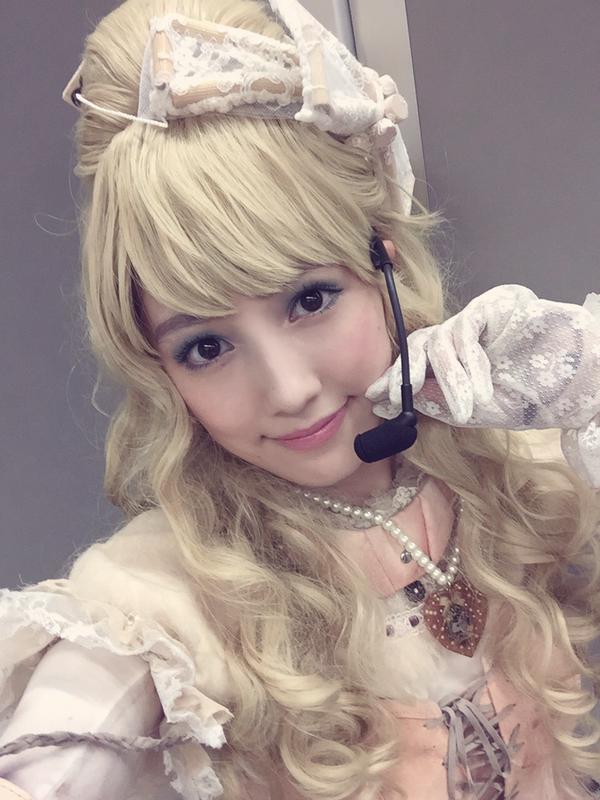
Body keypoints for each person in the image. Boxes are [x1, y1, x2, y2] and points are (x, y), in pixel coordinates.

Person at [0, 0, 599, 798]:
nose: (289, 389)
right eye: (206, 347)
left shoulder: (533, 464)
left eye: (310, 300)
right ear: (161, 370)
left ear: (385, 263)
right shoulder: (162, 596)